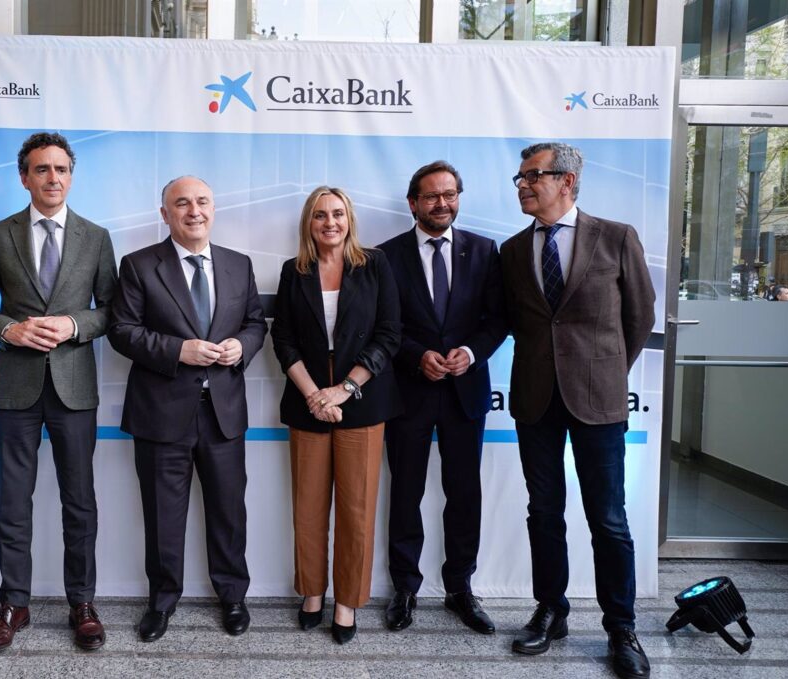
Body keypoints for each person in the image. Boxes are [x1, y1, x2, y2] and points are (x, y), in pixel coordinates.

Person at [500, 142, 655, 679]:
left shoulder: (616, 237)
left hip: (599, 401)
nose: (521, 184)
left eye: (531, 176)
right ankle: (551, 610)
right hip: (535, 400)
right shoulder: (513, 250)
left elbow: (639, 317)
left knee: (608, 520)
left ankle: (621, 628)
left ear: (566, 181)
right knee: (543, 512)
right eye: (518, 178)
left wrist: (605, 371)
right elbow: (514, 321)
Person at [0, 132, 117, 653]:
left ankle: (83, 603)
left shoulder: (96, 236)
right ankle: (14, 604)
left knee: (80, 503)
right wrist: (8, 330)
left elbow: (112, 310)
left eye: (61, 169)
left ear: (71, 176)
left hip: (74, 387)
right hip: (15, 388)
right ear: (24, 177)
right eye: (42, 169)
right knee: (13, 503)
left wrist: (74, 325)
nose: (53, 178)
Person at [108, 176, 267, 642]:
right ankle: (161, 603)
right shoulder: (138, 265)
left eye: (201, 202)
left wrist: (242, 345)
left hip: (223, 411)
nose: (193, 210)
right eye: (182, 203)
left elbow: (256, 323)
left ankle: (233, 596)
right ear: (165, 214)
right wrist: (180, 351)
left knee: (228, 511)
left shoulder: (239, 265)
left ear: (213, 209)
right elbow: (122, 330)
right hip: (161, 414)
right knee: (163, 515)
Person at [377, 161, 506, 633]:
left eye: (450, 194)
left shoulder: (485, 251)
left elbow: (498, 320)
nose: (442, 203)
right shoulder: (386, 256)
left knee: (464, 492)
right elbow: (384, 327)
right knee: (405, 492)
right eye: (432, 196)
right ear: (413, 203)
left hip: (465, 392)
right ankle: (405, 588)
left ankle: (460, 588)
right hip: (409, 391)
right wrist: (416, 356)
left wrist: (471, 352)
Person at [270, 186, 401, 645]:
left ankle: (346, 601)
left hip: (361, 401)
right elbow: (283, 339)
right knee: (307, 510)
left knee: (356, 510)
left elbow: (389, 333)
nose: (330, 222)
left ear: (350, 219)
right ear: (309, 222)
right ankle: (311, 593)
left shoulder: (375, 265)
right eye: (321, 215)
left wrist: (343, 390)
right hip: (307, 402)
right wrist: (313, 393)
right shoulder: (295, 271)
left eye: (338, 214)